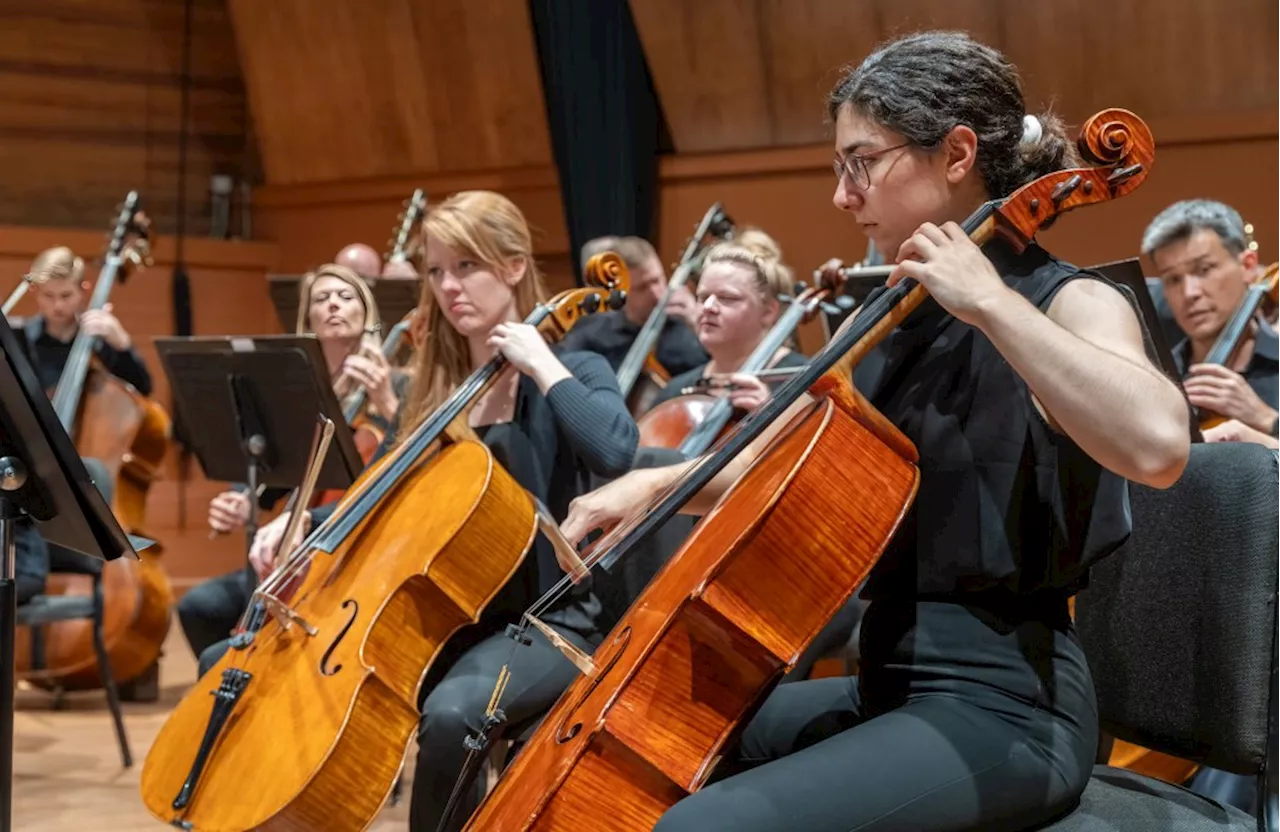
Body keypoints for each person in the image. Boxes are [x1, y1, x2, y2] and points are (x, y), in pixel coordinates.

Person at [559, 31, 1189, 831]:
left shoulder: (1065, 301)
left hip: (1008, 704)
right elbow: (792, 463)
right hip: (887, 675)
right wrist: (657, 484)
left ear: (956, 154)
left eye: (861, 162)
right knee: (646, 735)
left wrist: (990, 302)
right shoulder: (891, 318)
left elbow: (1160, 447)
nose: (842, 195)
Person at [218, 191, 637, 832]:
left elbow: (615, 448)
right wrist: (303, 521)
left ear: (514, 267)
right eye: (436, 271)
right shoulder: (436, 393)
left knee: (451, 715)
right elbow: (378, 491)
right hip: (443, 616)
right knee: (260, 679)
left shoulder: (574, 366)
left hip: (548, 622)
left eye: (465, 266)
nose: (448, 286)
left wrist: (541, 363)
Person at [176, 263, 402, 662]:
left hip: (357, 546)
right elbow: (273, 469)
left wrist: (387, 403)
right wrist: (243, 499)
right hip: (294, 553)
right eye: (322, 298)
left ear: (367, 315)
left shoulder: (397, 382)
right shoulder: (297, 392)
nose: (333, 304)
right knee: (200, 608)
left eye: (346, 297)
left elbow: (413, 457)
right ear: (308, 318)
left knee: (229, 652)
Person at [1142, 199, 1279, 447]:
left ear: (1248, 266)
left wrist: (1267, 419)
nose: (1189, 292)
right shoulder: (1155, 378)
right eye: (1173, 279)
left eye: (1204, 269)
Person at [650, 230, 807, 414]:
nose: (708, 306)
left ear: (768, 312)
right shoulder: (674, 394)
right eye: (702, 297)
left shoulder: (806, 383)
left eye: (727, 298)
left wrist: (770, 417)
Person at [560, 235, 707, 377]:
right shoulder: (591, 335)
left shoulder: (686, 321)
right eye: (641, 288)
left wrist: (697, 323)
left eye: (657, 280)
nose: (656, 294)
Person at [17, 246, 151, 396]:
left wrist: (122, 343)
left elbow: (142, 389)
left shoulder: (99, 339)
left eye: (66, 295)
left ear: (84, 290)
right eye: (48, 295)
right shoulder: (21, 340)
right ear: (35, 292)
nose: (58, 305)